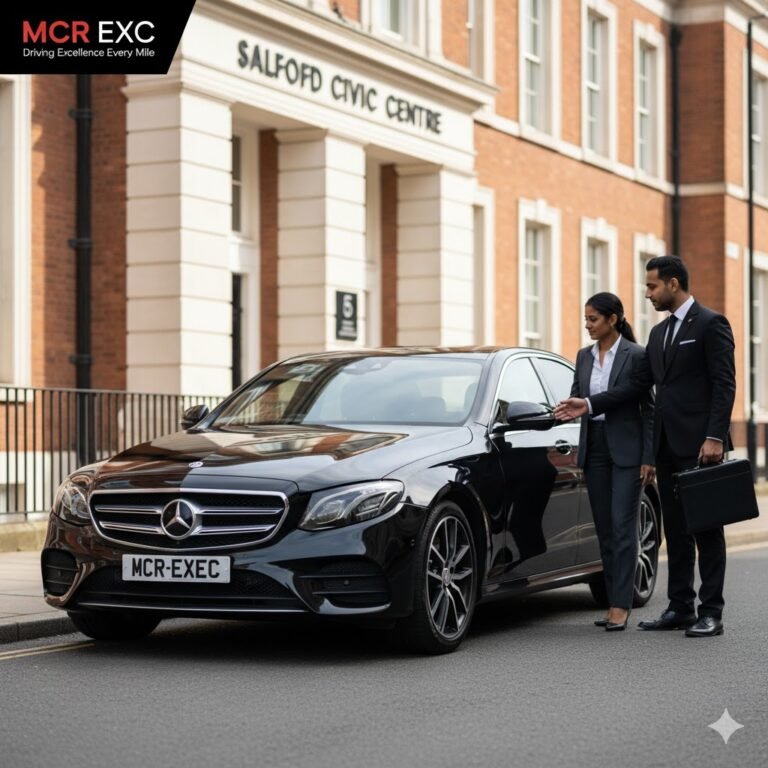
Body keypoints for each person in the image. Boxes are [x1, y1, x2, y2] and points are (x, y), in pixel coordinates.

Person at [557, 257, 736, 637]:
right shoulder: (657, 336)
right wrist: (588, 404)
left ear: (673, 284)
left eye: (652, 286)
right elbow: (635, 390)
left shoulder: (710, 323)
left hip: (701, 445)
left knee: (706, 529)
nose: (647, 293)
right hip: (665, 447)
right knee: (676, 528)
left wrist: (715, 436)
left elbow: (724, 384)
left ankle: (712, 612)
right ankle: (680, 607)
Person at [554, 293, 654, 631]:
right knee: (606, 531)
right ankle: (614, 597)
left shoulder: (637, 356)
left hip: (627, 450)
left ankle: (620, 606)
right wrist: (559, 411)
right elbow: (577, 398)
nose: (587, 325)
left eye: (593, 319)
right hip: (593, 448)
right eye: (586, 319)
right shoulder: (583, 357)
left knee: (623, 527)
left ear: (613, 319)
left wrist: (648, 457)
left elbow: (647, 409)